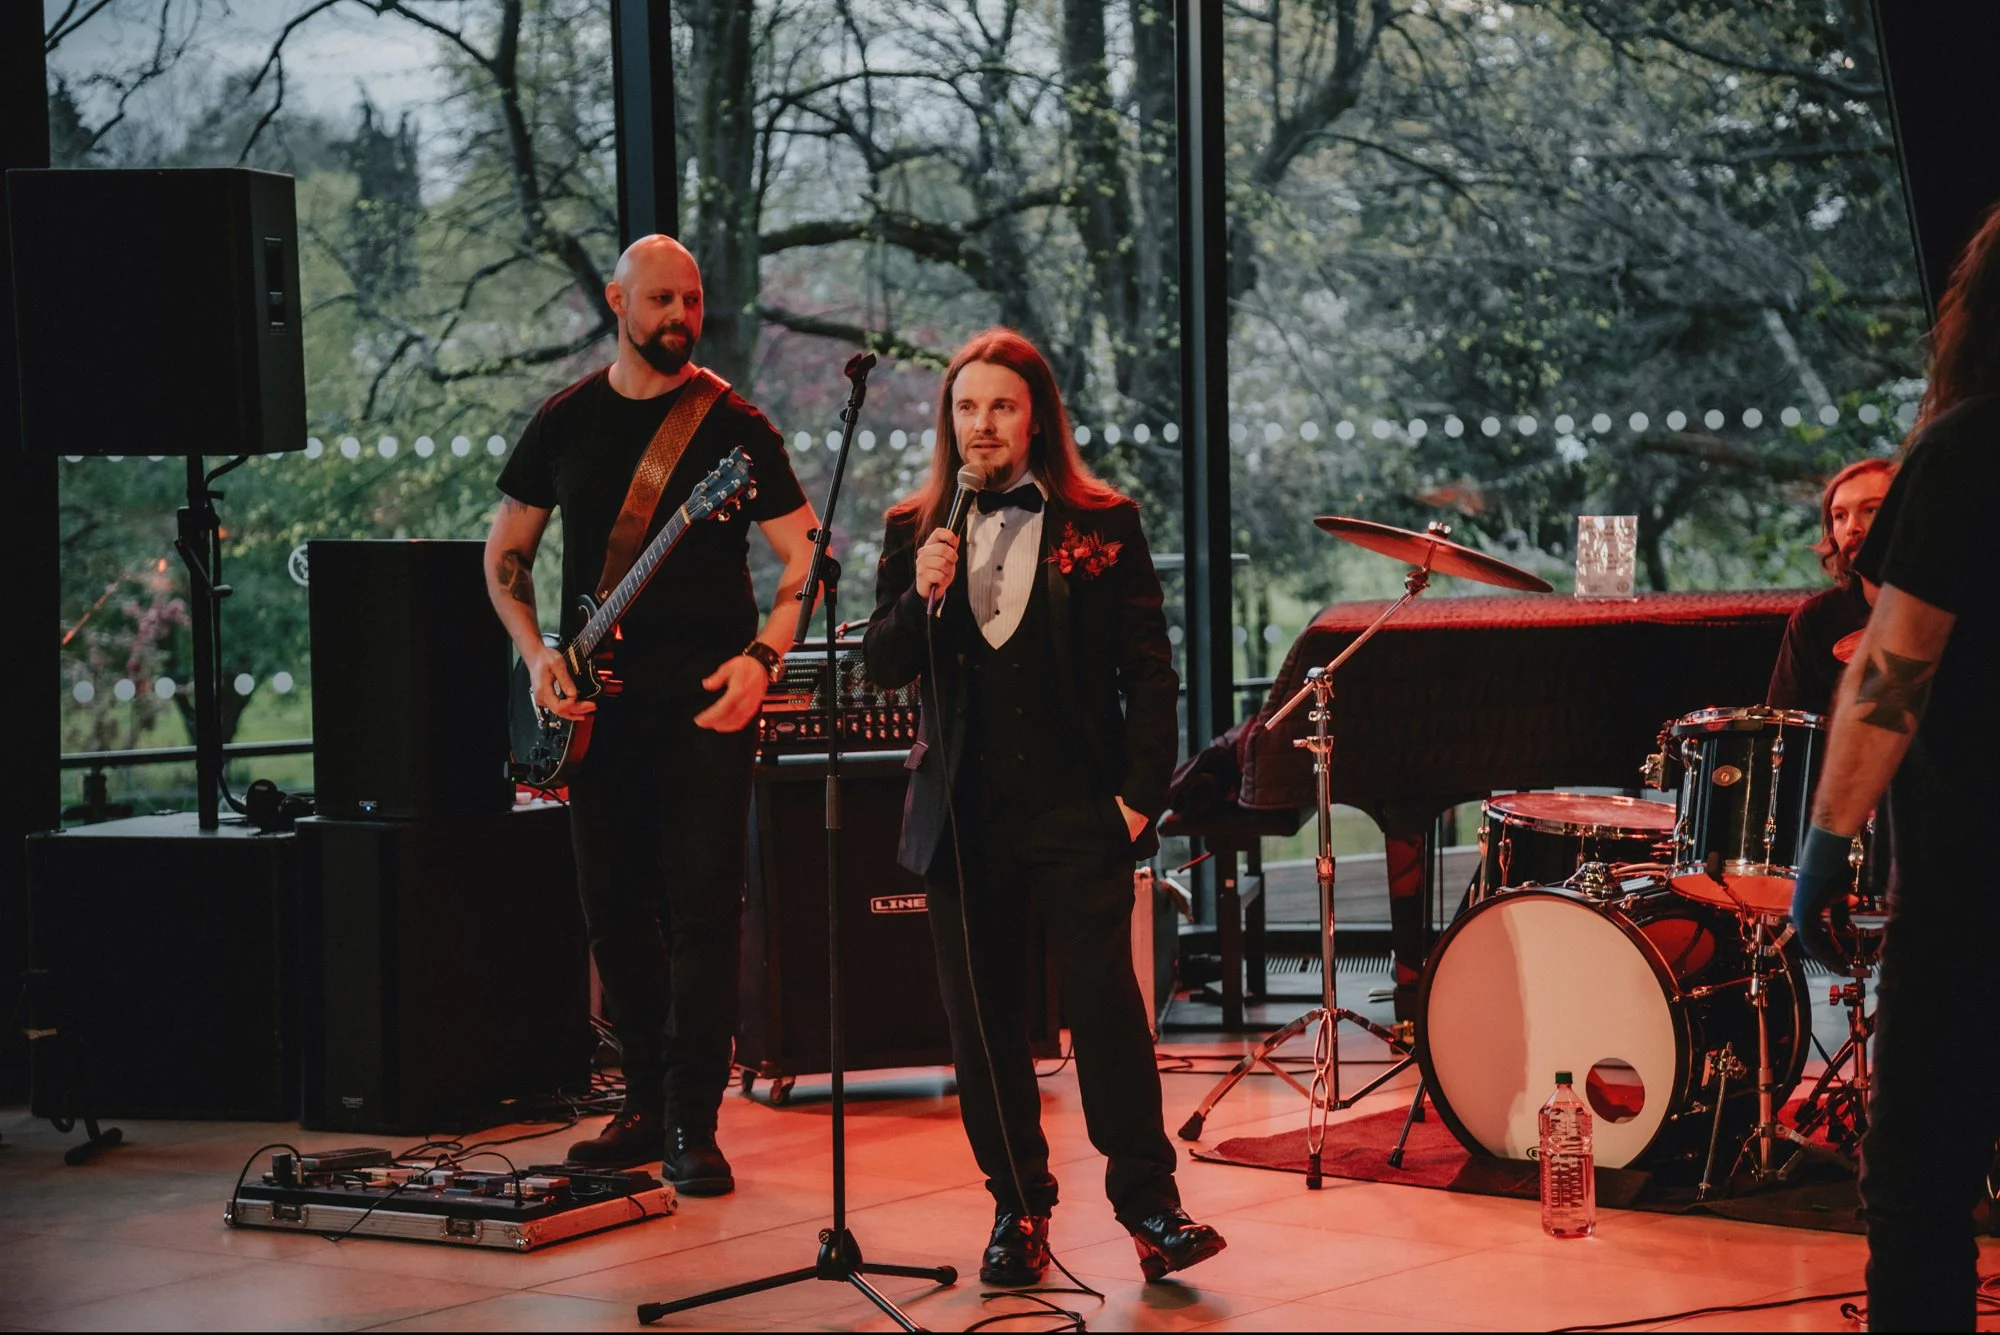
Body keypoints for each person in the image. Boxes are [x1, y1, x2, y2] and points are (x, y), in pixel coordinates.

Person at [862, 328, 1226, 1285]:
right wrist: (919, 592)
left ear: (1036, 420)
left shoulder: (1104, 522)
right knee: (984, 1027)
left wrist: (1137, 803)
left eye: (1002, 406)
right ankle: (1018, 1210)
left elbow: (1152, 674)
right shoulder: (913, 529)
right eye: (967, 407)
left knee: (1107, 1013)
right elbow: (881, 664)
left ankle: (1151, 1206)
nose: (983, 423)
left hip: (1078, 811)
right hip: (961, 818)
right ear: (950, 421)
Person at [484, 234, 817, 1194]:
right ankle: (638, 1103)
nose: (680, 317)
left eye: (692, 300)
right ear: (616, 300)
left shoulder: (735, 427)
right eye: (661, 299)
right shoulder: (565, 421)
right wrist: (537, 653)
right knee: (614, 911)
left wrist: (765, 657)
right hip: (596, 711)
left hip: (706, 707)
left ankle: (692, 1121)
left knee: (706, 911)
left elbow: (806, 557)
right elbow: (505, 554)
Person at [1790, 205, 2000, 1332]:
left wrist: (1825, 846)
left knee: (1920, 1177)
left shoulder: (1965, 448)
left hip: (1973, 884)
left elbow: (1894, 668)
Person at [1766, 457, 1896, 713]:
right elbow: (1785, 727)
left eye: (1871, 510)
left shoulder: (1948, 608)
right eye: (1840, 516)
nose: (1852, 528)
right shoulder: (1815, 619)